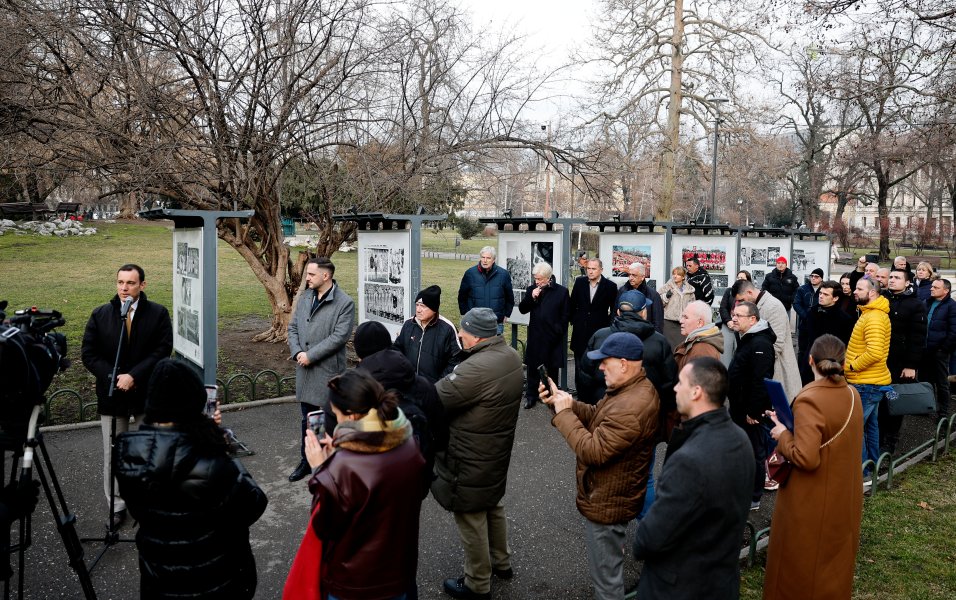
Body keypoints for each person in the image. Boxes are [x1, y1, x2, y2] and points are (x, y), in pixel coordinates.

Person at [115, 358, 268, 599]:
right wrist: (219, 442)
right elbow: (253, 504)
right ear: (193, 403)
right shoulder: (211, 459)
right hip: (214, 579)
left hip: (159, 579)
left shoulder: (128, 453)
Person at [539, 332, 659, 600]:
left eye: (606, 361)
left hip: (608, 503)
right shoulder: (630, 390)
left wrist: (565, 413)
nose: (600, 367)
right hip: (610, 495)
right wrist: (563, 402)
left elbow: (593, 451)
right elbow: (597, 416)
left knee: (607, 586)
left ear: (625, 363)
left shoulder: (631, 405)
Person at [632, 357, 754, 600]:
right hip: (721, 583)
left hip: (681, 588)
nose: (675, 388)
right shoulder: (740, 439)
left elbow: (649, 540)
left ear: (697, 392)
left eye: (681, 383)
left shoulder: (690, 460)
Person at [305, 369, 426, 600]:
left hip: (356, 582)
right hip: (400, 572)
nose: (336, 422)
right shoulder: (408, 443)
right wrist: (339, 454)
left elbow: (325, 526)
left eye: (337, 415)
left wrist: (321, 470)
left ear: (351, 416)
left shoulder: (344, 467)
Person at [764, 335, 864, 600]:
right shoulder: (852, 394)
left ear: (810, 360)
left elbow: (807, 458)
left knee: (799, 570)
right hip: (842, 497)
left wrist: (783, 434)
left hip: (810, 500)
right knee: (832, 570)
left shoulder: (810, 399)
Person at [433, 308, 524, 600]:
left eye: (463, 331)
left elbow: (437, 399)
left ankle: (477, 582)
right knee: (492, 504)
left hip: (469, 452)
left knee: (470, 513)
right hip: (495, 449)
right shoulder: (510, 355)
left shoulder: (476, 368)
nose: (459, 335)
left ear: (476, 335)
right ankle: (502, 562)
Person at [81, 263, 173, 523]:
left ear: (142, 285)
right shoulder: (101, 315)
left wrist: (135, 376)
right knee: (114, 453)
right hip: (112, 395)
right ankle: (117, 505)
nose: (124, 288)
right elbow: (89, 354)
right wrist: (114, 376)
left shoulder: (157, 313)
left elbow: (162, 349)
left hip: (145, 394)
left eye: (130, 283)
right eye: (120, 282)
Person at [287, 257, 355, 482]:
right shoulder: (306, 296)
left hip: (327, 372)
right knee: (307, 419)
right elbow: (293, 326)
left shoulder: (344, 303)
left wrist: (310, 355)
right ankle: (307, 461)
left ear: (326, 276)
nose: (306, 278)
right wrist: (298, 352)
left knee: (329, 419)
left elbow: (339, 337)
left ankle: (333, 464)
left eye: (311, 275)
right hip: (305, 369)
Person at [727, 301, 776, 510]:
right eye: (734, 314)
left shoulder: (760, 344)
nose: (734, 318)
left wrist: (754, 411)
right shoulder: (748, 338)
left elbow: (761, 379)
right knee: (742, 451)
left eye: (739, 315)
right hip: (740, 407)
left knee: (754, 452)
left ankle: (754, 498)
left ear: (753, 319)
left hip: (750, 411)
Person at [844, 278, 891, 468]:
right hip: (870, 382)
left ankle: (861, 474)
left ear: (872, 293)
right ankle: (872, 467)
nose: (855, 291)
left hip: (866, 383)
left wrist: (852, 366)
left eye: (859, 289)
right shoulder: (869, 313)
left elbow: (875, 352)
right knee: (871, 427)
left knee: (853, 429)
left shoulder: (874, 318)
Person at [880, 268, 926, 454]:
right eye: (890, 277)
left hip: (899, 365)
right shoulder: (882, 299)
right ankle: (878, 436)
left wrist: (911, 365)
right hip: (880, 362)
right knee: (879, 400)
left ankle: (891, 440)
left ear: (907, 282)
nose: (892, 280)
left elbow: (918, 337)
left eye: (897, 278)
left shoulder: (915, 305)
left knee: (894, 399)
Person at [732, 279, 802, 401]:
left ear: (749, 292)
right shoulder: (755, 306)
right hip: (759, 373)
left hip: (776, 372)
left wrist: (750, 361)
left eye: (742, 300)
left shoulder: (773, 306)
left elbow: (777, 344)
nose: (740, 304)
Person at [518, 262, 570, 409]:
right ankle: (531, 396)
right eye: (535, 278)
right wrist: (531, 298)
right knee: (533, 368)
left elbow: (565, 316)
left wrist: (557, 330)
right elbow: (522, 309)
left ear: (548, 278)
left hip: (553, 337)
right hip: (535, 336)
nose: (537, 282)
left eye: (540, 279)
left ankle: (551, 397)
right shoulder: (532, 289)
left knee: (551, 369)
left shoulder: (561, 292)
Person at [393, 285, 461, 382]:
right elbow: (397, 350)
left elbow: (456, 362)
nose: (418, 310)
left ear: (434, 309)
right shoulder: (409, 324)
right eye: (417, 305)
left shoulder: (448, 329)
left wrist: (440, 384)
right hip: (408, 385)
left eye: (423, 306)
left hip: (434, 389)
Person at [569, 258, 619, 393]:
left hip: (599, 332)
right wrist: (576, 320)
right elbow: (572, 304)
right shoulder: (579, 282)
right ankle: (580, 396)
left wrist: (607, 326)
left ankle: (594, 397)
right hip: (580, 332)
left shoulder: (610, 287)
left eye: (593, 269)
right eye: (588, 269)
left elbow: (614, 310)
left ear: (601, 270)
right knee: (579, 366)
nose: (590, 272)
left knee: (597, 366)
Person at [799, 280, 854, 384]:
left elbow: (845, 345)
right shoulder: (812, 312)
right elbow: (804, 337)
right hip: (810, 364)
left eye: (825, 294)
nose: (821, 296)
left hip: (831, 367)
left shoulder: (844, 319)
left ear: (835, 298)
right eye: (820, 293)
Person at [457, 246, 514, 335]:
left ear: (494, 260)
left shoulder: (503, 274)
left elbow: (509, 297)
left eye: (488, 258)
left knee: (494, 348)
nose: (485, 260)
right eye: (483, 257)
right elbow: (462, 296)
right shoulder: (470, 273)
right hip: (475, 321)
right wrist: (464, 313)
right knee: (475, 348)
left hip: (495, 322)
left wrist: (506, 314)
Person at [924, 279, 956, 422]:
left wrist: (943, 349)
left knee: (942, 383)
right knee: (927, 380)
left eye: (936, 287)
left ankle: (943, 414)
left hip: (940, 352)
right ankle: (926, 407)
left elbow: (954, 331)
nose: (932, 289)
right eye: (932, 286)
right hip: (925, 350)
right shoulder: (928, 302)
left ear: (946, 290)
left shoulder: (951, 306)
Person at [674, 300, 724, 372]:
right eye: (682, 316)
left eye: (686, 317)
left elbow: (701, 381)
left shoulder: (703, 350)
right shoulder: (698, 343)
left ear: (700, 323)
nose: (681, 321)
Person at [793, 268, 824, 383]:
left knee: (815, 349)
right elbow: (796, 303)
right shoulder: (803, 289)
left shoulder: (824, 289)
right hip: (804, 324)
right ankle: (800, 375)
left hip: (819, 324)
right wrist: (805, 316)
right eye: (812, 276)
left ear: (821, 278)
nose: (813, 278)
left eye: (816, 276)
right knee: (802, 350)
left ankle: (815, 373)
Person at [617, 262, 664, 332]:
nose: (630, 278)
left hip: (646, 337)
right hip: (623, 334)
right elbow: (615, 315)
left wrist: (654, 340)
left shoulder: (653, 295)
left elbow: (658, 322)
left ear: (642, 277)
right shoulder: (622, 291)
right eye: (629, 275)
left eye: (634, 275)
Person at [659, 266, 696, 349]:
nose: (675, 276)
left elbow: (692, 306)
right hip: (669, 322)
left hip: (683, 323)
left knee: (681, 348)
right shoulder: (667, 287)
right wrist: (666, 296)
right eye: (674, 274)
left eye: (678, 274)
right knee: (669, 348)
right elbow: (658, 302)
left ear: (683, 277)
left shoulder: (689, 290)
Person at [719, 270, 751, 366]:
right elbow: (723, 307)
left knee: (739, 353)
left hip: (742, 329)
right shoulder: (729, 291)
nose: (739, 280)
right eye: (738, 278)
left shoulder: (749, 294)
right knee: (726, 352)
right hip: (728, 325)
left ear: (748, 280)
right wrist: (728, 321)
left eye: (742, 278)